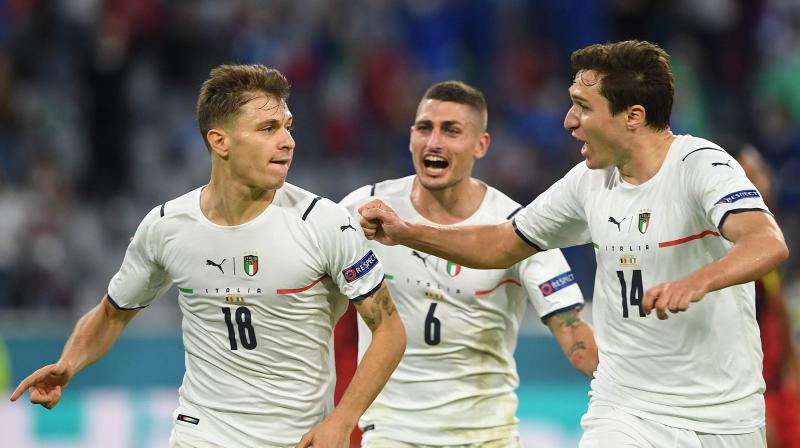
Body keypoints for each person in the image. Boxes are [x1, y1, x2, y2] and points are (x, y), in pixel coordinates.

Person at [359, 40, 789, 447]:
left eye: (583, 107)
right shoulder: (590, 180)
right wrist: (407, 232)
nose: (568, 120)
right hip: (624, 408)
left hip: (724, 416)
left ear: (633, 116)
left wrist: (697, 282)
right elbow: (505, 242)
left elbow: (766, 242)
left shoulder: (702, 166)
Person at [10, 64, 406, 448]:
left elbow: (389, 331)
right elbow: (112, 312)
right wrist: (68, 365)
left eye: (288, 127)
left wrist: (342, 420)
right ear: (220, 141)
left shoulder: (323, 223)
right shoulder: (167, 227)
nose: (287, 141)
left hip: (295, 438)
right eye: (268, 128)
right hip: (201, 434)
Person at [337, 80, 598, 447]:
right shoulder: (362, 210)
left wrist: (633, 392)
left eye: (451, 130)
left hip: (486, 435)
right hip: (392, 432)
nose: (434, 142)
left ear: (481, 145)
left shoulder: (517, 228)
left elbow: (572, 331)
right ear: (411, 136)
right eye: (425, 128)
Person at [735, 145, 800, 448]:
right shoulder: (731, 252)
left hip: (781, 388)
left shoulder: (771, 238)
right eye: (749, 177)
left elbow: (777, 310)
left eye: (760, 172)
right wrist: (753, 410)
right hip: (755, 398)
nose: (761, 183)